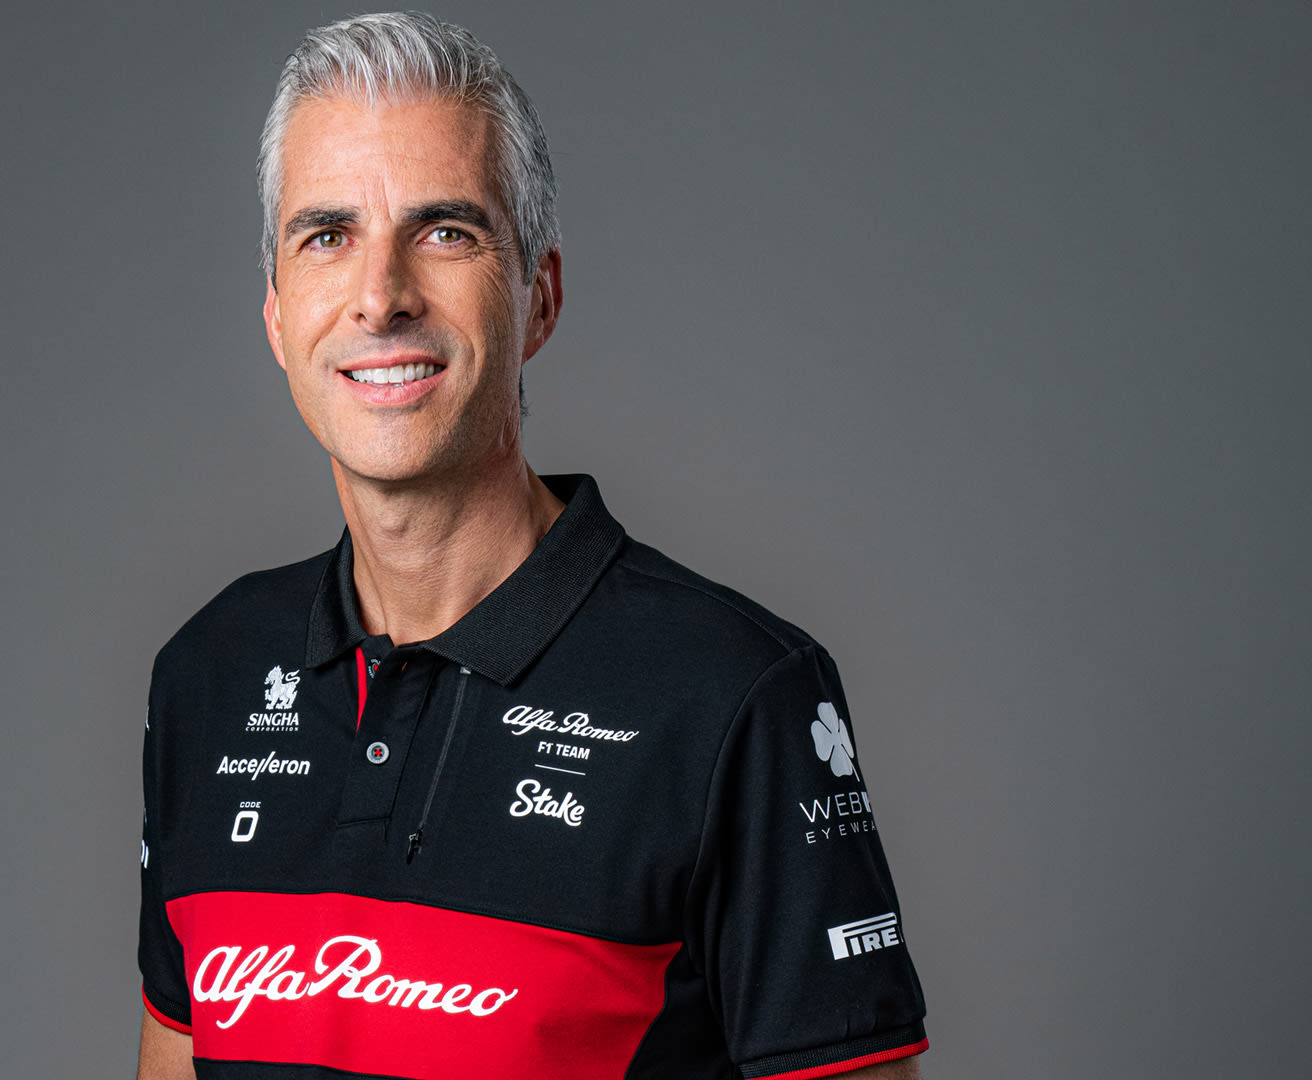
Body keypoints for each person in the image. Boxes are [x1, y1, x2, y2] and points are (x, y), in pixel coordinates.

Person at [136, 13, 927, 1079]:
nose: (380, 297)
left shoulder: (737, 697)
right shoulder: (208, 673)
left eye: (443, 232)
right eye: (327, 236)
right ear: (279, 316)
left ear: (538, 298)